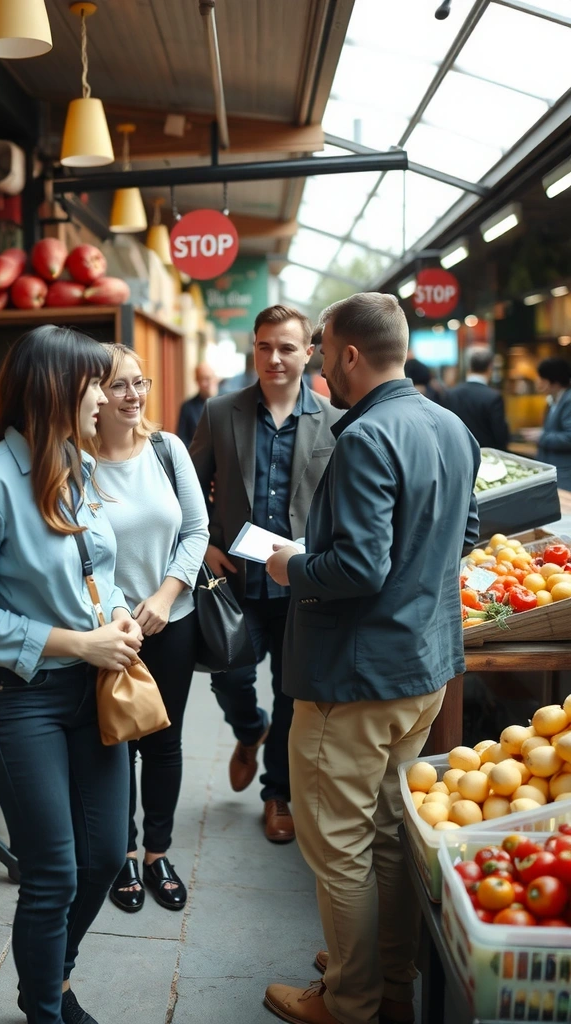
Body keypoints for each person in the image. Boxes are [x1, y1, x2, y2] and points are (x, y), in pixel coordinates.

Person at [263, 293, 479, 1024]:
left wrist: (292, 565)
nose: (319, 364)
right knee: (387, 832)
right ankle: (389, 978)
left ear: (349, 354)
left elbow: (358, 566)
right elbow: (465, 533)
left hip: (354, 680)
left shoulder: (364, 437)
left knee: (338, 844)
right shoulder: (451, 427)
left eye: (322, 350)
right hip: (423, 668)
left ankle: (349, 1002)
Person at [0, 325, 145, 1024]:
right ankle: (44, 1008)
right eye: (95, 385)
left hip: (93, 692)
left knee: (107, 856)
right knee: (54, 872)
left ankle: (52, 979)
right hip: (18, 702)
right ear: (58, 389)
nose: (107, 399)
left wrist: (117, 617)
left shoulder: (75, 464)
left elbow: (99, 571)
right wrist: (81, 643)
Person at [189, 305, 340, 844]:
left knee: (292, 695)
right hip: (237, 582)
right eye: (264, 347)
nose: (274, 358)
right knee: (229, 675)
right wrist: (206, 545)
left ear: (308, 353)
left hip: (303, 586)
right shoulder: (220, 411)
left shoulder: (336, 421)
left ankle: (278, 794)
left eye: (286, 348)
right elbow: (188, 490)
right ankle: (250, 730)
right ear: (253, 348)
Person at [91, 344, 208, 914]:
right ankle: (124, 854)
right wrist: (115, 613)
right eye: (119, 385)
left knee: (164, 742)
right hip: (106, 631)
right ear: (94, 394)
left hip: (172, 620)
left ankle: (158, 852)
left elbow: (197, 529)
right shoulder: (74, 460)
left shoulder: (167, 449)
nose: (134, 395)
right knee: (116, 744)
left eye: (139, 382)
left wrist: (166, 595)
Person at [445, 348, 509, 451]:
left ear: (469, 367)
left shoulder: (451, 394)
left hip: (458, 452)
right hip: (486, 456)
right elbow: (500, 435)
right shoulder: (493, 397)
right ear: (490, 368)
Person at [534, 358, 571, 489]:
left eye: (542, 379)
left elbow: (569, 438)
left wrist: (541, 436)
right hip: (552, 469)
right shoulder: (553, 400)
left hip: (564, 473)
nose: (538, 382)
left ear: (554, 381)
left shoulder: (568, 400)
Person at [176, 362, 220, 445]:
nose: (209, 383)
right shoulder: (187, 407)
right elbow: (182, 440)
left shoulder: (227, 403)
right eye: (204, 379)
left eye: (211, 378)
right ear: (197, 381)